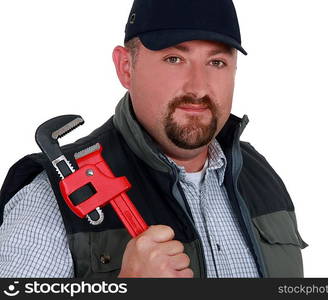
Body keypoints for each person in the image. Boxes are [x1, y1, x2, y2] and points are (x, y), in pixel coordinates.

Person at [0, 0, 308, 278]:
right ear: (125, 67)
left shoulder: (261, 176)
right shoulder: (50, 199)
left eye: (217, 62)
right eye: (174, 59)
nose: (199, 87)